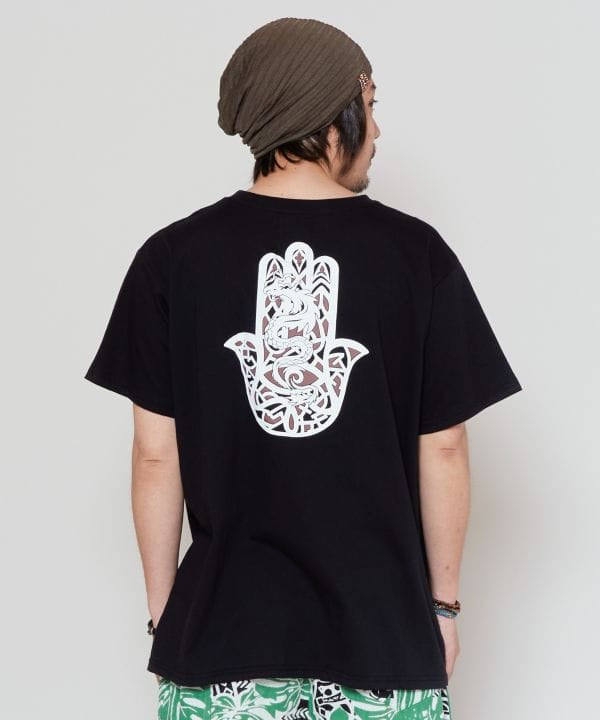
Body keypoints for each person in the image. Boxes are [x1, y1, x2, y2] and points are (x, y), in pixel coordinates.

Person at [83, 17, 522, 720]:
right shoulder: (417, 257)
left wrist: (167, 617)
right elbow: (443, 446)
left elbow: (155, 454)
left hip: (219, 644)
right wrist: (443, 608)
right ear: (329, 114)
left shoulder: (172, 259)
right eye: (370, 105)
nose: (378, 129)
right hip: (384, 643)